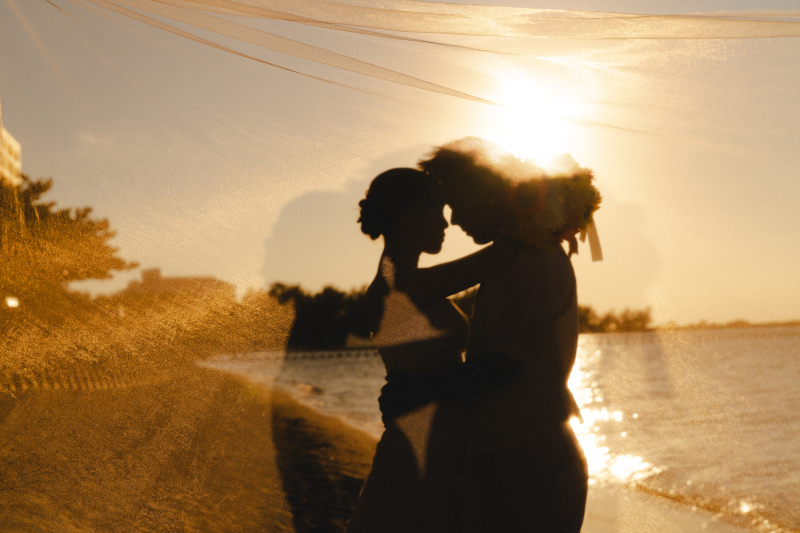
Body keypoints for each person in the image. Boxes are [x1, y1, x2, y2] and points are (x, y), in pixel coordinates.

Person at [419, 137, 600, 533]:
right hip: (515, 453)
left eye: (457, 202)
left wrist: (415, 391)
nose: (455, 220)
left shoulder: (532, 258)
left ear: (485, 194)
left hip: (531, 458)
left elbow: (503, 365)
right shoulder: (511, 257)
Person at [345, 168, 520, 533]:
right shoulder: (399, 284)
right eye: (438, 212)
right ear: (409, 219)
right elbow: (497, 258)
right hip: (417, 456)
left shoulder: (410, 281)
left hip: (437, 450)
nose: (446, 224)